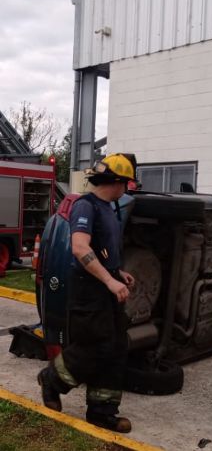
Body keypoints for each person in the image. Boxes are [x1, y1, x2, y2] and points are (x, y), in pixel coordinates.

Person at [37, 153, 138, 433]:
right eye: (126, 183)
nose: (127, 188)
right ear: (116, 182)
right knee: (93, 348)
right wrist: (109, 281)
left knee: (116, 348)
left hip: (106, 289)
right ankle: (51, 379)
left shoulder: (110, 208)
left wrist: (118, 274)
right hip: (89, 293)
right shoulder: (86, 206)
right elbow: (80, 248)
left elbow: (103, 252)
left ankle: (102, 412)